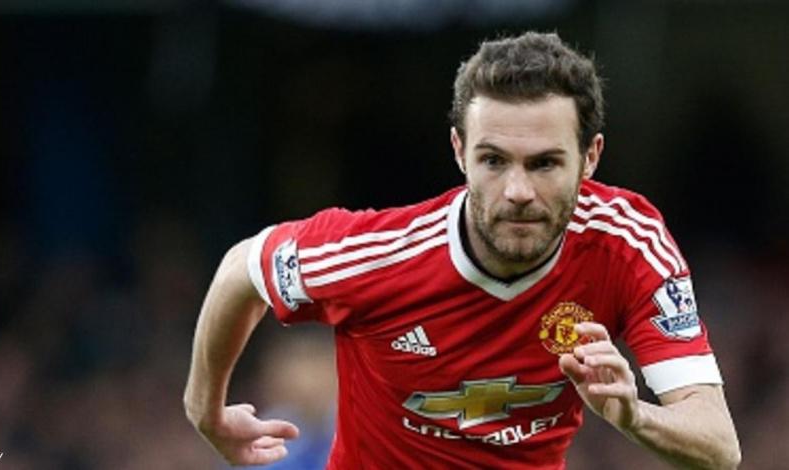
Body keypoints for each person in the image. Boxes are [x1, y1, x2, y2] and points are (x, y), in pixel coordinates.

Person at [183, 32, 741, 469]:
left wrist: (633, 415)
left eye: (544, 163)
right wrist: (205, 409)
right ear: (459, 150)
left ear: (590, 157)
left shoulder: (627, 243)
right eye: (494, 161)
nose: (518, 191)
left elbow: (719, 447)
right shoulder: (377, 255)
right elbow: (241, 270)